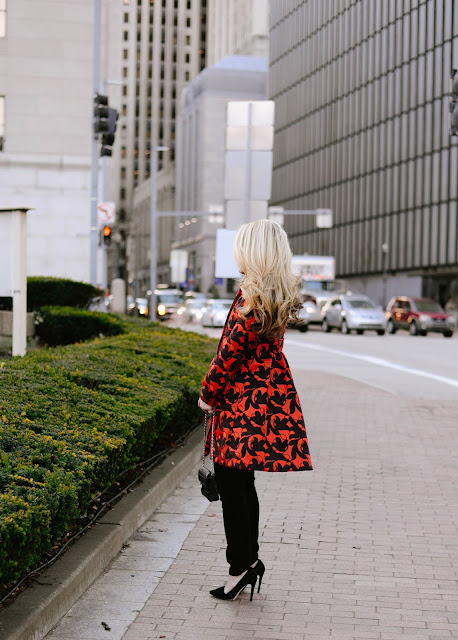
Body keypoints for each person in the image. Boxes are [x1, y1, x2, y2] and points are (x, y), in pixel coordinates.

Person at [198, 219, 313, 601]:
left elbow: (229, 353)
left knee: (233, 487)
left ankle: (241, 566)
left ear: (253, 251)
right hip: (260, 403)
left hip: (241, 405)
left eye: (241, 246)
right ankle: (248, 562)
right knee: (242, 485)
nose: (236, 253)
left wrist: (207, 394)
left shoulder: (252, 299)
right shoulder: (271, 295)